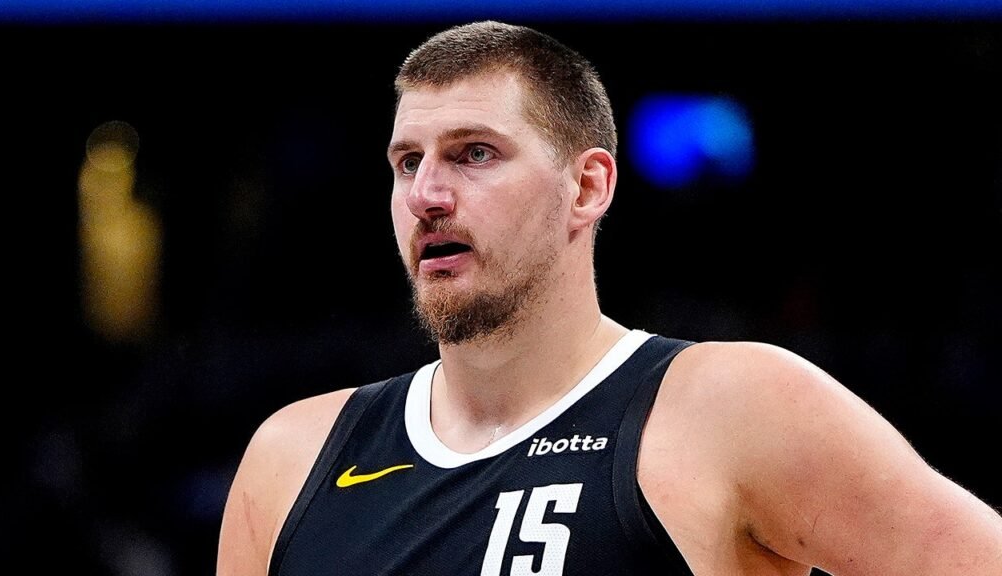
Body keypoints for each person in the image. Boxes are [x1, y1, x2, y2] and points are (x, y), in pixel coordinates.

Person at [217, 20, 1002, 576]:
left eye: (474, 153)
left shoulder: (732, 409)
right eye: (407, 162)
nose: (426, 194)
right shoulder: (291, 458)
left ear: (587, 187)